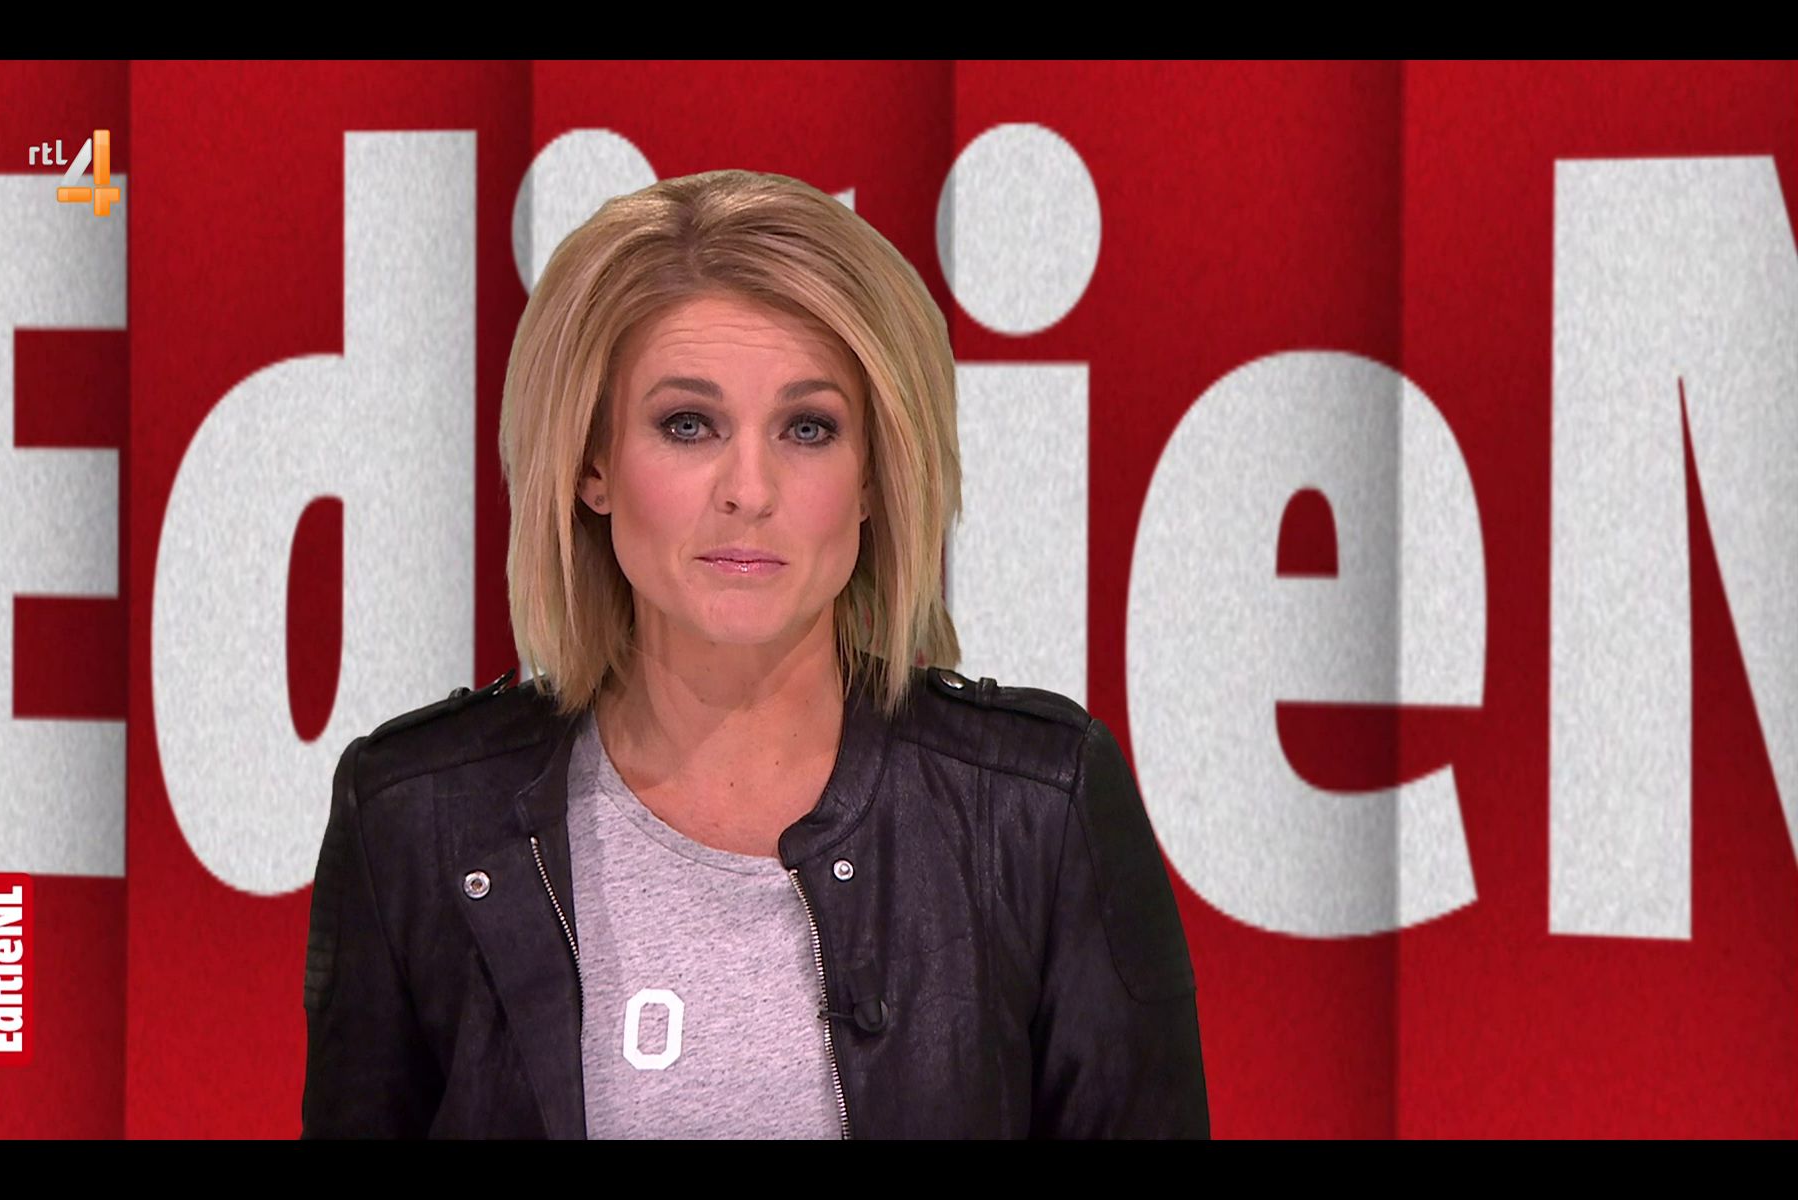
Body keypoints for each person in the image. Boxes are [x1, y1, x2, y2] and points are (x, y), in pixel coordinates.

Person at [300, 168, 1208, 1139]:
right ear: (592, 464)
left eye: (808, 428)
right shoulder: (418, 818)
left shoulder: (1035, 809)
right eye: (687, 425)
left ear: (875, 477)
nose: (749, 489)